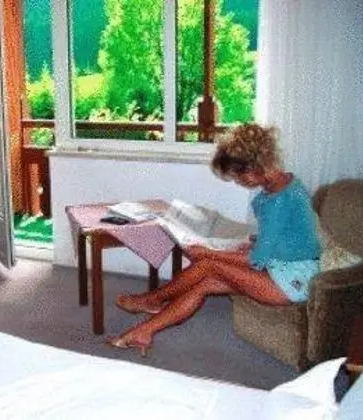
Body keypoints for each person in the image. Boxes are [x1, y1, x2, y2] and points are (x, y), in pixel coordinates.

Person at [107, 123, 321, 357]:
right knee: (206, 282)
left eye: (237, 176)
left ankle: (153, 299)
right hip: (281, 265)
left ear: (252, 169)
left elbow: (256, 260)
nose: (237, 181)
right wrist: (256, 241)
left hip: (293, 280)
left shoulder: (281, 198)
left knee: (209, 264)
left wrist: (208, 252)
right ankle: (144, 331)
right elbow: (288, 233)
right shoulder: (280, 186)